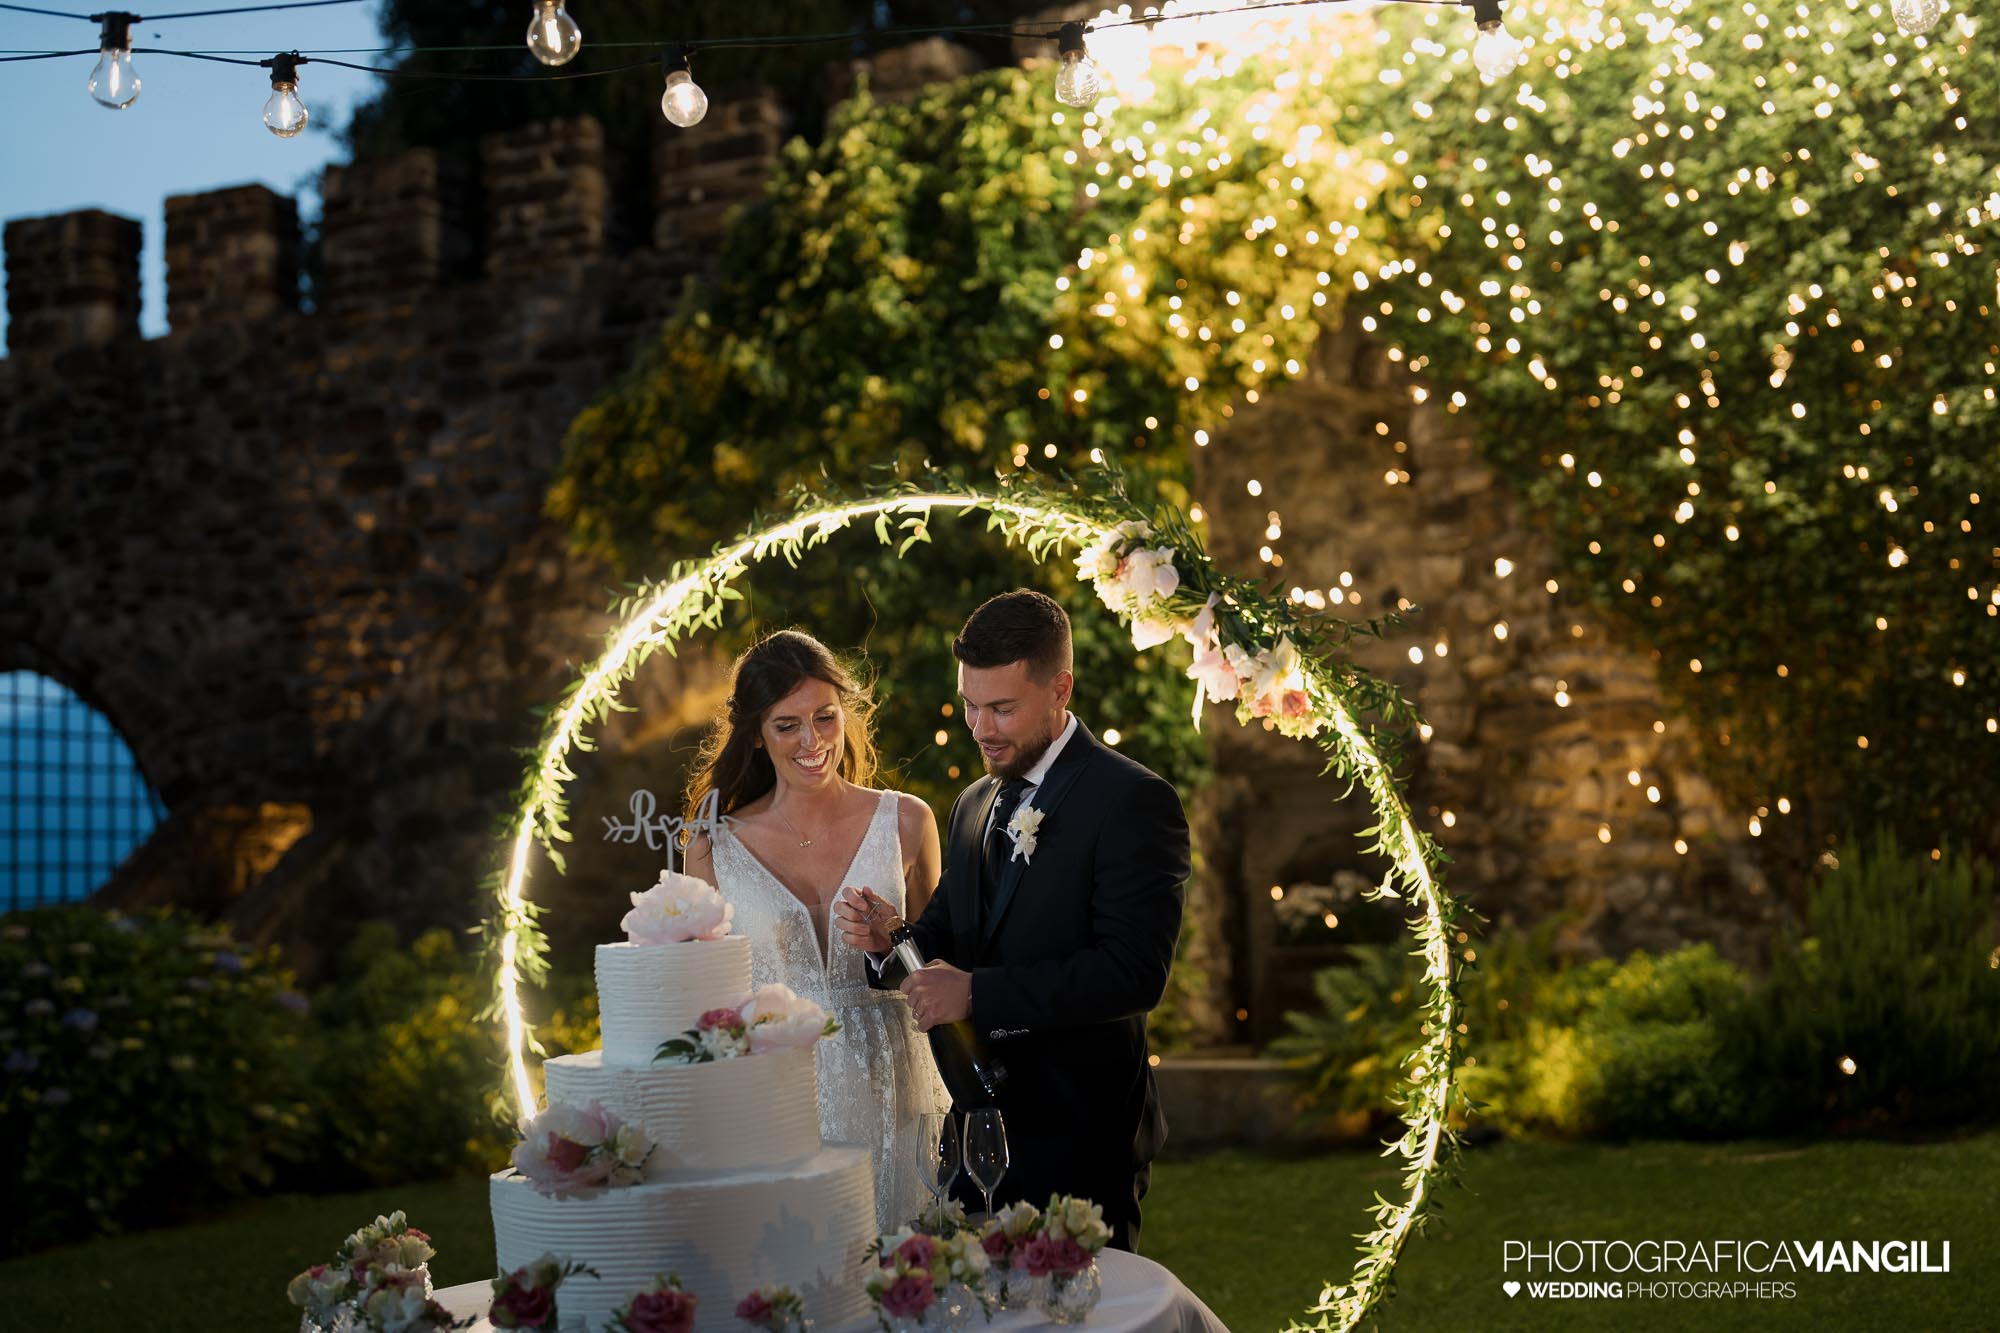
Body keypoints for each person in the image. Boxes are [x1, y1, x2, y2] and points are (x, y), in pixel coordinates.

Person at [836, 590, 1189, 1252]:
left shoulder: (1133, 800)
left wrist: (978, 993)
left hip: (1082, 1131)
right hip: (974, 1128)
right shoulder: (973, 802)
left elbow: (1132, 973)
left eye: (1001, 708)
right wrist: (893, 940)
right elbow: (948, 929)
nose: (981, 727)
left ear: (1061, 688)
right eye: (970, 705)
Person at [683, 629, 950, 1234]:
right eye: (787, 725)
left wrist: (899, 937)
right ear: (756, 732)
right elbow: (702, 1003)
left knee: (912, 1276)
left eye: (825, 717)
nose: (812, 741)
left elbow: (948, 968)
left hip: (899, 1086)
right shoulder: (711, 846)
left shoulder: (907, 821)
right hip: (776, 1101)